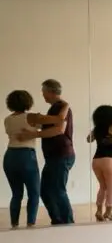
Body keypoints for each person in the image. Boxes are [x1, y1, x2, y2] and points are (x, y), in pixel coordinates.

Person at [31, 80, 75, 225]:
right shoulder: (55, 108)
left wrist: (34, 134)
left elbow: (59, 130)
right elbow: (50, 125)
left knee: (57, 190)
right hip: (54, 156)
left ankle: (67, 222)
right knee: (45, 190)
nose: (42, 94)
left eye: (43, 91)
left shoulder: (62, 106)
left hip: (61, 155)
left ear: (50, 91)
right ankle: (58, 221)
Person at [4, 90, 43, 229]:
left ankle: (14, 224)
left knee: (16, 193)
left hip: (10, 156)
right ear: (28, 101)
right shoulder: (31, 117)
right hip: (26, 156)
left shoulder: (7, 119)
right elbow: (46, 128)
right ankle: (30, 223)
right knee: (34, 192)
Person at [86, 105, 112, 222]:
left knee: (102, 187)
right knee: (111, 187)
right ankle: (108, 213)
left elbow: (88, 139)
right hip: (109, 160)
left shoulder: (96, 129)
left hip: (96, 160)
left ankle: (99, 211)